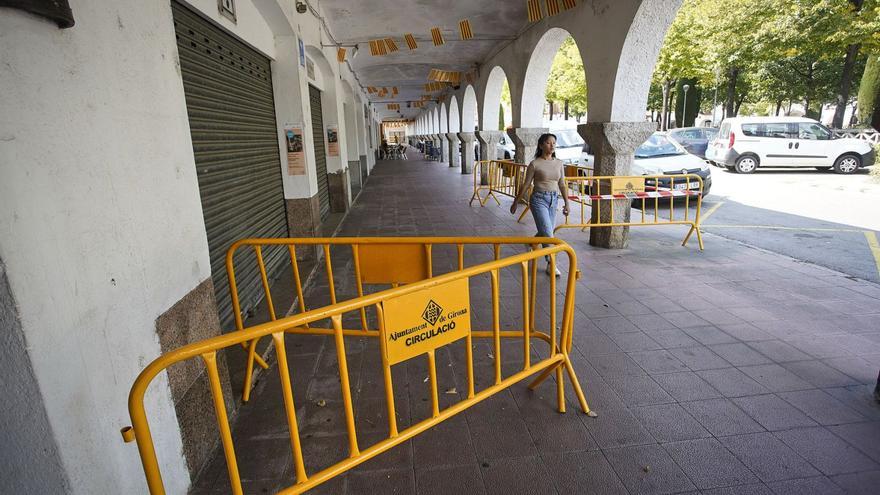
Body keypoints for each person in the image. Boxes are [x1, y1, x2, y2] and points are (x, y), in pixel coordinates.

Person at [510, 133, 570, 276]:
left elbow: (562, 184)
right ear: (541, 145)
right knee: (549, 234)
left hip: (553, 200)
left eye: (554, 143)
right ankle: (551, 263)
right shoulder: (535, 164)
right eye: (549, 143)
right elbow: (525, 185)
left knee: (546, 230)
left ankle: (532, 243)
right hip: (538, 200)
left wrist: (567, 203)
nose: (552, 145)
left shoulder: (559, 163)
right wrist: (516, 201)